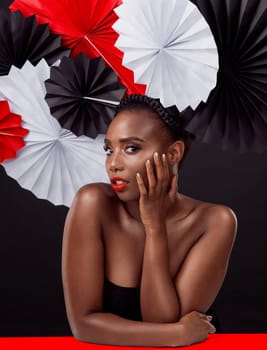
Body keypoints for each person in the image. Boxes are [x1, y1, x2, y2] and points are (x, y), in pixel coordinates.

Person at [62, 94, 237, 347]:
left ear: (174, 152)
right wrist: (178, 334)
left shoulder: (215, 221)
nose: (113, 164)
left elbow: (161, 320)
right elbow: (83, 325)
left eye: (131, 148)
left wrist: (154, 228)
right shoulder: (93, 204)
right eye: (109, 149)